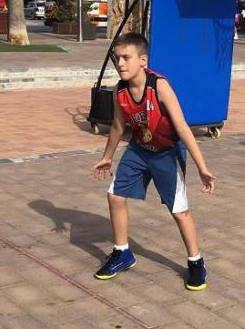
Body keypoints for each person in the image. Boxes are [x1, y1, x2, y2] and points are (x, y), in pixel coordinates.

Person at [92, 32, 216, 290]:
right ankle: (122, 253)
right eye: (117, 58)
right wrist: (107, 157)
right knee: (115, 196)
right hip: (139, 150)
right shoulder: (120, 91)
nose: (120, 63)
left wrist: (202, 168)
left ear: (143, 60)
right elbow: (117, 126)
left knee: (179, 211)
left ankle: (196, 262)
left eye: (126, 58)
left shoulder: (159, 86)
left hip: (166, 152)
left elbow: (182, 127)